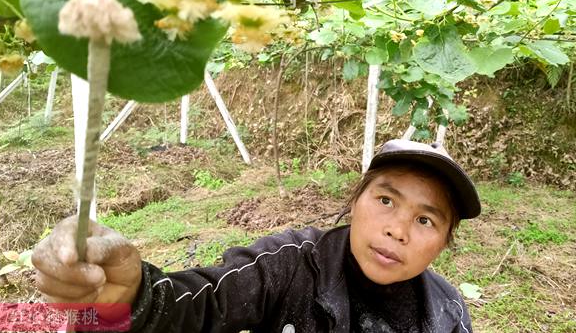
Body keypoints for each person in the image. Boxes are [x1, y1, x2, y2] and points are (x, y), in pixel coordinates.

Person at [33, 139, 481, 332]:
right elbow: (203, 304)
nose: (396, 230)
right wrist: (136, 296)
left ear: (444, 241)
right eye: (386, 200)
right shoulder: (288, 264)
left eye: (426, 220)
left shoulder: (449, 312)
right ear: (356, 200)